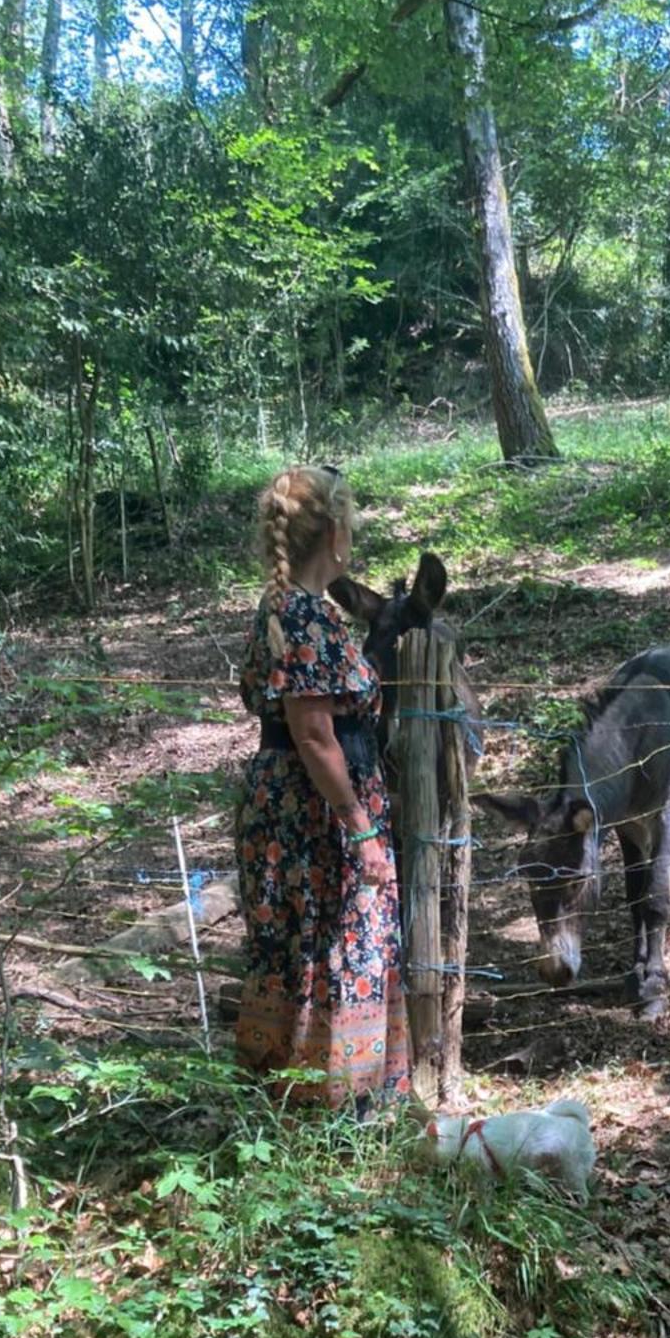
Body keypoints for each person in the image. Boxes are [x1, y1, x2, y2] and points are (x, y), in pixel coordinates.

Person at [234, 465, 412, 1112]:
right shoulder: (305, 617)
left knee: (302, 946)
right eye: (353, 523)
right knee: (335, 941)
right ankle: (340, 1106)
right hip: (315, 814)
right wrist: (361, 829)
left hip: (292, 803)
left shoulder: (292, 611)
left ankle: (307, 1098)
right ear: (335, 533)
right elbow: (314, 737)